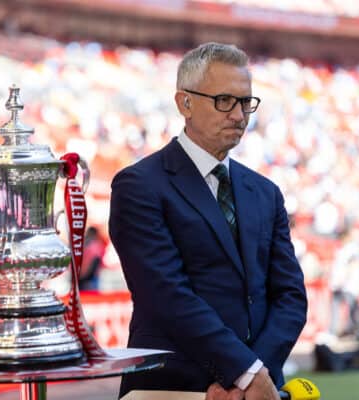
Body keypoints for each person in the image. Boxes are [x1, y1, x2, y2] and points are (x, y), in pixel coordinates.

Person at [109, 42, 307, 400]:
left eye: (246, 102)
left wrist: (254, 375)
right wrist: (246, 373)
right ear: (185, 103)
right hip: (172, 388)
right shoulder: (139, 185)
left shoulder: (266, 192)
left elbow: (291, 296)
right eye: (224, 100)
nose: (238, 115)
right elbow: (166, 295)